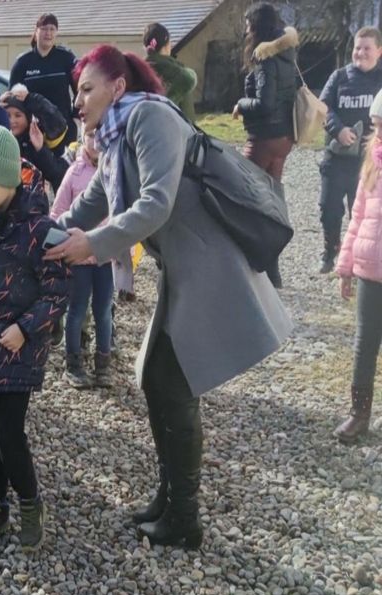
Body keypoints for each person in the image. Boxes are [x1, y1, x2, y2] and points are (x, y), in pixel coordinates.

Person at [48, 45, 292, 549]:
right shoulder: (114, 136)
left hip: (209, 264)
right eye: (77, 92)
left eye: (87, 89)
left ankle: (184, 517)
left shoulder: (148, 117)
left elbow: (155, 203)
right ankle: (169, 499)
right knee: (157, 379)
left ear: (117, 87)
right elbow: (92, 202)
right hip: (185, 267)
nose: (79, 101)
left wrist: (91, 245)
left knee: (173, 383)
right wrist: (42, 235)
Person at [0, 126, 69, 551]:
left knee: (8, 433)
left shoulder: (41, 230)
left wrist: (25, 328)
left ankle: (29, 503)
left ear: (9, 180)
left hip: (20, 351)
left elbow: (58, 291)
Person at [233, 3, 298, 288]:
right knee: (270, 201)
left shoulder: (265, 58)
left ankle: (248, 265)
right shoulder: (287, 53)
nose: (246, 30)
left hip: (264, 138)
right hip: (284, 138)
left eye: (248, 25)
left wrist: (240, 104)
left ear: (257, 27)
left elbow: (264, 103)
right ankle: (272, 270)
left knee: (244, 197)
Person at [334, 92, 382, 444]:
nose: (379, 135)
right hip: (369, 266)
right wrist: (346, 265)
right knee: (365, 342)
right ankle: (359, 412)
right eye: (377, 128)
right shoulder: (373, 160)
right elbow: (358, 214)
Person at [51, 129, 114, 388]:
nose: (95, 141)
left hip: (106, 255)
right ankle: (73, 364)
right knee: (76, 310)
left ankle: (103, 364)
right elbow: (58, 211)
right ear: (82, 138)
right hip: (78, 258)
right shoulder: (74, 174)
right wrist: (58, 241)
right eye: (90, 135)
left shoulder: (114, 170)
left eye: (100, 135)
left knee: (104, 311)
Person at [318, 26, 382, 274]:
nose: (361, 53)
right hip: (336, 158)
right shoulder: (339, 77)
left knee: (363, 214)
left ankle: (357, 261)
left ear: (379, 51)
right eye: (357, 48)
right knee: (328, 209)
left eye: (367, 48)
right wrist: (338, 130)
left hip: (367, 163)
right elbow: (323, 108)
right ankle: (330, 251)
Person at [8, 13, 78, 152]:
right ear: (36, 31)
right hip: (33, 132)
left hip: (63, 130)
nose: (48, 33)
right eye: (44, 29)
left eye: (52, 29)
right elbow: (13, 100)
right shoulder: (23, 62)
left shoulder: (66, 58)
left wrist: (76, 118)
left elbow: (79, 89)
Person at [0, 85, 70, 191]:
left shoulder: (35, 140)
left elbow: (55, 174)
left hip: (34, 199)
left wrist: (40, 150)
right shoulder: (0, 140)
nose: (12, 121)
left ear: (28, 117)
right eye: (7, 115)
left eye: (18, 115)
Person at [143, 22, 197, 122]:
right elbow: (188, 117)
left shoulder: (137, 73)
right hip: (175, 129)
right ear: (167, 45)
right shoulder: (181, 75)